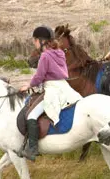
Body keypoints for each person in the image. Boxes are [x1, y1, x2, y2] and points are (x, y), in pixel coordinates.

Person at [18, 26, 82, 161]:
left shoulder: (45, 56)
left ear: (41, 41)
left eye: (34, 40)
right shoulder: (59, 52)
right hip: (64, 86)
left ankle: (33, 149)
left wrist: (28, 86)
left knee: (31, 115)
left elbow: (39, 76)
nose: (34, 43)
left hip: (52, 89)